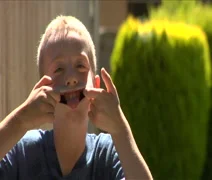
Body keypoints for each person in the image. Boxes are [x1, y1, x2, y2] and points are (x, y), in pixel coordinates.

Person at [0, 15, 153, 180]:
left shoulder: (108, 152)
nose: (71, 78)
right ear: (41, 89)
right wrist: (20, 120)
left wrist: (120, 129)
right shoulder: (23, 151)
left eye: (80, 66)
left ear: (95, 85)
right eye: (59, 69)